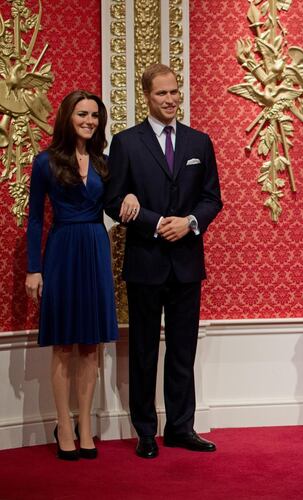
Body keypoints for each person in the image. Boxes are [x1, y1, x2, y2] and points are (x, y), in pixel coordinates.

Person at [104, 63, 223, 459]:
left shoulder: (199, 142)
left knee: (182, 349)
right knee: (142, 349)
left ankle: (180, 428)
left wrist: (189, 223)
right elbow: (113, 200)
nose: (170, 99)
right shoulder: (125, 143)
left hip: (187, 262)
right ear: (146, 96)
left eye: (175, 92)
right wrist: (156, 223)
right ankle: (144, 431)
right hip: (145, 260)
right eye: (161, 94)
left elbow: (211, 199)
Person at [25, 90, 124, 460]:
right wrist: (34, 268)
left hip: (95, 248)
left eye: (95, 115)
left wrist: (130, 200)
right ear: (68, 116)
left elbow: (115, 204)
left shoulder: (104, 162)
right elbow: (35, 219)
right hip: (63, 250)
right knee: (64, 345)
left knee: (90, 347)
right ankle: (62, 424)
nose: (89, 121)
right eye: (82, 114)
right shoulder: (45, 162)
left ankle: (85, 425)